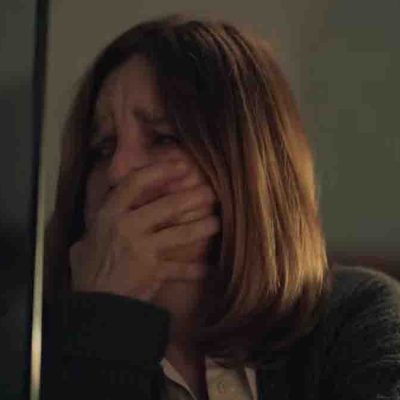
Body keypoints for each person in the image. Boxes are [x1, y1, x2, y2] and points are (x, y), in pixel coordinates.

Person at [41, 13, 400, 400]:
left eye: (163, 138)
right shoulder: (31, 348)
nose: (117, 170)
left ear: (248, 169)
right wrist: (102, 328)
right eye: (102, 147)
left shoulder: (356, 318)